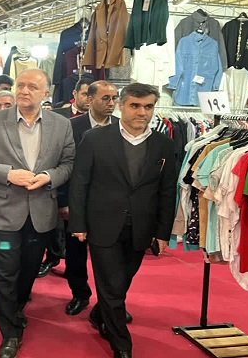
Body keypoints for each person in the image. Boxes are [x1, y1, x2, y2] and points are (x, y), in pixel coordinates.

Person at [0, 69, 74, 358]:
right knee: (4, 272)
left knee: (28, 270)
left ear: (46, 93)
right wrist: (8, 174)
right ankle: (10, 333)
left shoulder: (61, 125)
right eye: (21, 85)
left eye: (33, 87)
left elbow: (68, 164)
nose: (24, 91)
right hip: (1, 213)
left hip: (40, 212)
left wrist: (49, 177)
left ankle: (15, 308)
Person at [68, 83, 177, 358]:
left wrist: (163, 232)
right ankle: (121, 343)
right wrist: (78, 223)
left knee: (121, 281)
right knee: (112, 285)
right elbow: (80, 182)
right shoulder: (95, 139)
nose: (142, 112)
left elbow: (167, 191)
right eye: (135, 106)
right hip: (102, 224)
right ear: (121, 105)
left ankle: (99, 314)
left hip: (141, 227)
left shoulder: (164, 144)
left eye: (148, 107)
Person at [58, 81, 120, 317]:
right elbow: (63, 165)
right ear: (90, 99)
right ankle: (80, 294)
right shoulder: (70, 127)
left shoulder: (122, 126)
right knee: (75, 254)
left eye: (114, 98)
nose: (111, 103)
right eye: (105, 98)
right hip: (77, 202)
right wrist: (63, 202)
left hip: (111, 205)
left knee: (111, 259)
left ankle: (110, 303)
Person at [39, 77, 92, 278]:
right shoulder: (57, 116)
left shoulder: (108, 122)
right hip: (59, 181)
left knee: (76, 236)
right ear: (75, 94)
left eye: (92, 95)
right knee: (53, 228)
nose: (89, 99)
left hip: (89, 187)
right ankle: (51, 258)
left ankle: (74, 270)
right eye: (85, 94)